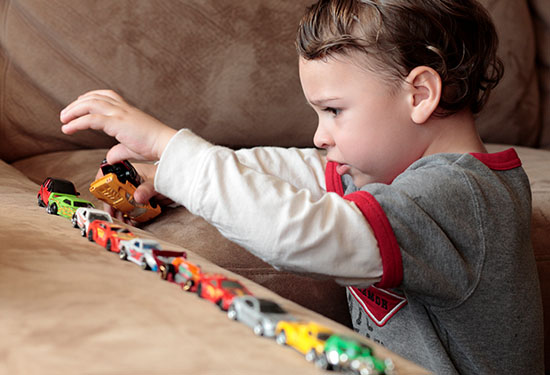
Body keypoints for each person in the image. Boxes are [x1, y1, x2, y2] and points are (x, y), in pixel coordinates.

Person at [59, 0, 544, 373]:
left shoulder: (462, 198)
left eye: (334, 110)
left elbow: (301, 235)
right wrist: (169, 172)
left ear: (419, 94)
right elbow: (303, 170)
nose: (319, 134)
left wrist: (172, 145)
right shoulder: (391, 172)